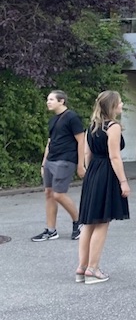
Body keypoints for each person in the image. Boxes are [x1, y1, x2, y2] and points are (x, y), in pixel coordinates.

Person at [76, 91, 130, 284]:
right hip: (106, 173)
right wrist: (123, 181)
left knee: (88, 222)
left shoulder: (92, 126)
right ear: (112, 106)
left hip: (93, 173)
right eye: (120, 102)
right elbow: (114, 157)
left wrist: (90, 174)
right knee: (101, 222)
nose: (122, 104)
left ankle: (82, 268)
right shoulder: (113, 127)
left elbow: (87, 154)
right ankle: (93, 269)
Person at [32, 90, 85, 242]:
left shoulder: (72, 117)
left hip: (65, 160)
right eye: (47, 99)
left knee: (58, 194)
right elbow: (50, 142)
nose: (48, 102)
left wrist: (81, 165)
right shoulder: (53, 120)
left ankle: (79, 223)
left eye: (51, 99)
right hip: (51, 160)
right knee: (49, 193)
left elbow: (81, 141)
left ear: (61, 101)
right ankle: (51, 231)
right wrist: (44, 164)